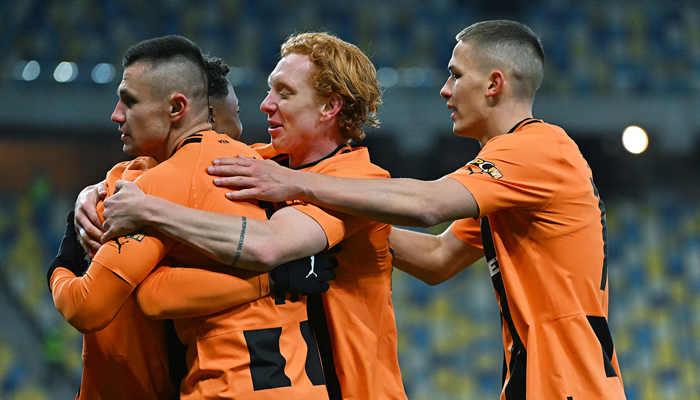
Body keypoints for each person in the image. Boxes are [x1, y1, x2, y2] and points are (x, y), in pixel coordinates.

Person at [207, 20, 627, 400]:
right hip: (544, 376)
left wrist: (297, 183)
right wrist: (339, 223)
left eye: (456, 75)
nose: (445, 89)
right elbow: (437, 257)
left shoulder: (536, 148)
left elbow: (429, 204)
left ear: (494, 84)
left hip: (567, 383)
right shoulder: (518, 175)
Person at [81, 32, 408, 400]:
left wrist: (150, 209)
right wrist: (92, 192)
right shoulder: (257, 165)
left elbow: (267, 246)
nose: (266, 105)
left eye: (284, 93)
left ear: (329, 107)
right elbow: (166, 171)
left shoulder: (355, 181)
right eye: (270, 90)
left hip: (356, 390)